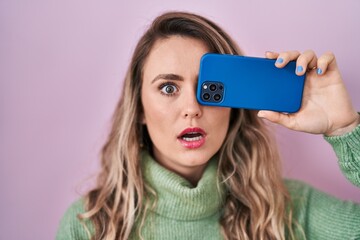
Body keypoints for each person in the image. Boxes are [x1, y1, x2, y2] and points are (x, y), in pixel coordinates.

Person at [56, 11, 360, 240]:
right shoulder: (88, 225)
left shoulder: (292, 210)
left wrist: (345, 129)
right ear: (139, 109)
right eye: (168, 88)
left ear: (233, 106)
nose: (191, 108)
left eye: (209, 89)